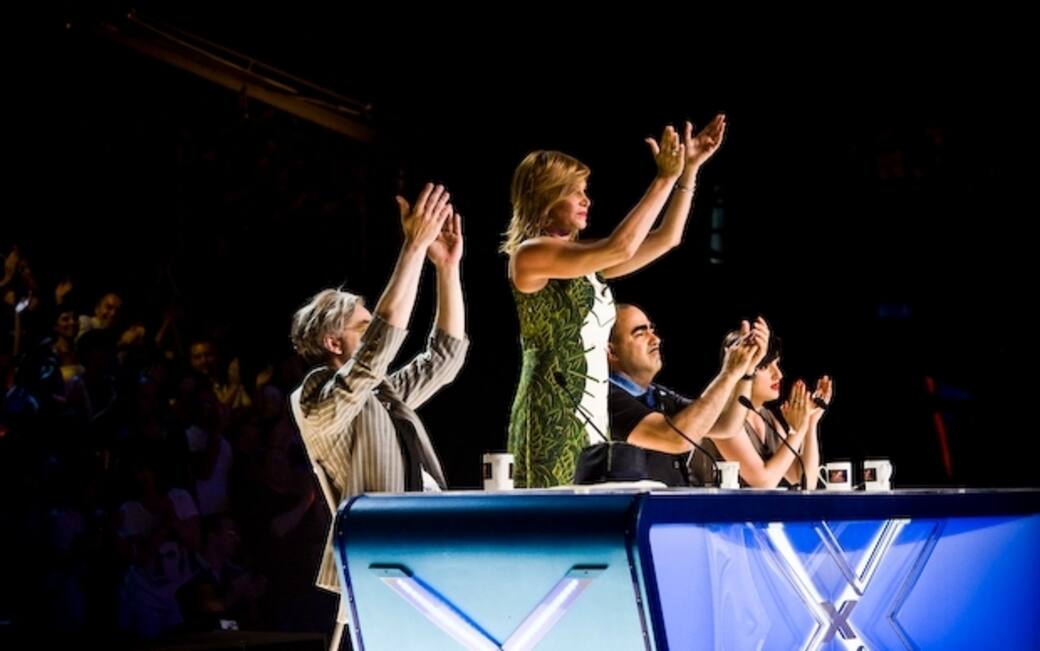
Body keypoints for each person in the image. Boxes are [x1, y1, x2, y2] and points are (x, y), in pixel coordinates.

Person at [288, 184, 468, 645]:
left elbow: (444, 359)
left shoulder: (378, 396)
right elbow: (375, 352)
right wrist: (413, 248)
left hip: (430, 531)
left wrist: (447, 269)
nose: (377, 335)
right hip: (389, 547)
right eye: (363, 327)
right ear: (333, 342)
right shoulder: (316, 400)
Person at [502, 116, 726, 487]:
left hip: (591, 412)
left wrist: (688, 171)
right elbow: (620, 246)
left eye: (585, 190)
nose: (586, 200)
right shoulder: (529, 255)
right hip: (553, 416)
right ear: (545, 196)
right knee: (557, 516)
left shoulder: (585, 264)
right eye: (574, 191)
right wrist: (663, 178)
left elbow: (666, 238)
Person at [607, 304, 768, 485]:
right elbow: (676, 439)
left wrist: (746, 371)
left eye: (652, 330)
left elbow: (725, 424)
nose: (656, 339)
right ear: (612, 351)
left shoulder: (657, 394)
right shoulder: (607, 399)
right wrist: (728, 373)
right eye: (640, 333)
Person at [708, 329, 833, 489]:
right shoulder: (723, 417)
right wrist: (796, 431)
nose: (778, 374)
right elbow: (764, 482)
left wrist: (810, 421)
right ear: (741, 367)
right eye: (765, 366)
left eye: (777, 364)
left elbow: (805, 481)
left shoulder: (766, 417)